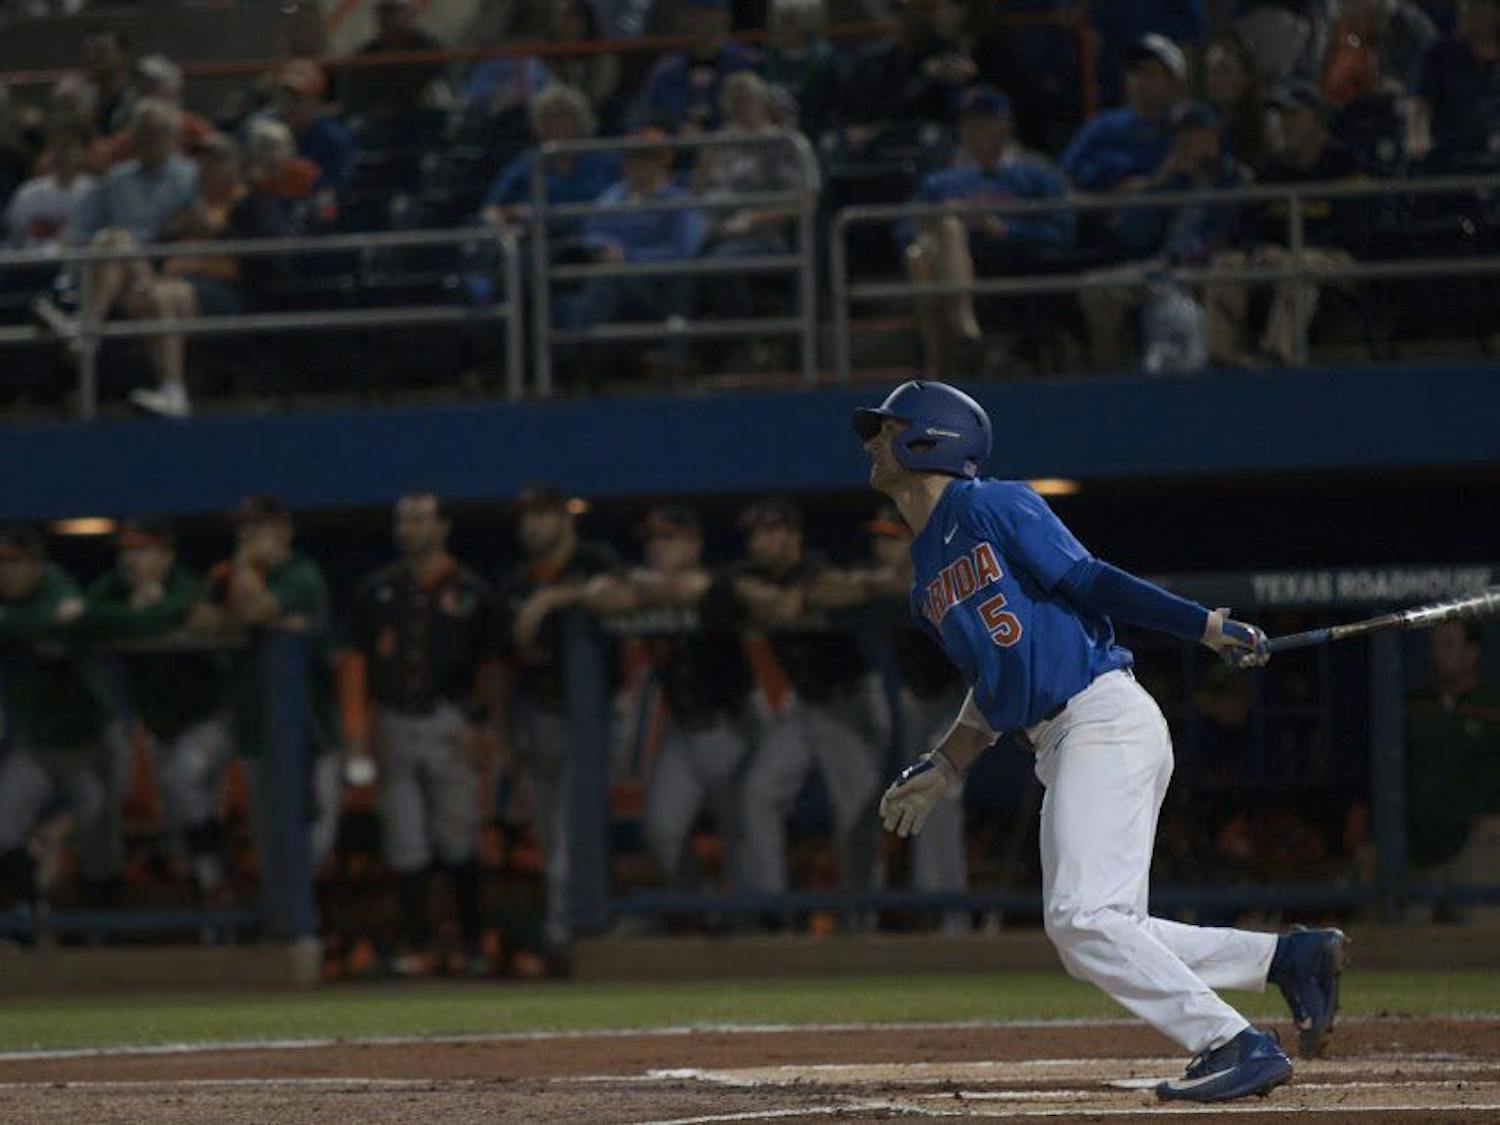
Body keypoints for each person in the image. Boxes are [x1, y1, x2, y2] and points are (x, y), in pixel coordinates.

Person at [854, 379, 1346, 1102]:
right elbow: (997, 684)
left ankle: (1234, 1042)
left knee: (1082, 919)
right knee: (1100, 931)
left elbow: (1088, 578)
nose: (872, 442)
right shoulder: (924, 575)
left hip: (1102, 718)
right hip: (1063, 738)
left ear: (932, 439)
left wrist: (1203, 626)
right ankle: (1287, 959)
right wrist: (946, 761)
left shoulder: (992, 503)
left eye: (887, 428)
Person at [350, 493, 501, 976]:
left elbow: (492, 667)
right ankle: (415, 945)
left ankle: (472, 944)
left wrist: (483, 726)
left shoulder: (471, 589)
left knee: (458, 835)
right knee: (405, 838)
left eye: (420, 519)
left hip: (449, 720)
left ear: (443, 526)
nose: (410, 528)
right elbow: (356, 665)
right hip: (394, 719)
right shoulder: (377, 589)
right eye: (403, 520)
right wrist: (358, 733)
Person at [731, 499, 885, 915]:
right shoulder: (750, 576)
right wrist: (761, 594)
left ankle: (862, 917)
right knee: (759, 793)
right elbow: (724, 586)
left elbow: (839, 586)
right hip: (804, 706)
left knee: (856, 813)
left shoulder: (816, 567)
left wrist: (802, 595)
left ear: (793, 536)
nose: (759, 542)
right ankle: (772, 910)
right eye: (754, 534)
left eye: (769, 532)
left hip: (850, 701)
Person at [595, 505, 752, 898]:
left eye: (668, 538)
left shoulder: (719, 583)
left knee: (740, 833)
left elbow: (703, 590)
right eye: (651, 540)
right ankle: (701, 906)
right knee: (660, 829)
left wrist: (648, 589)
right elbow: (601, 595)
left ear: (694, 545)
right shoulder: (644, 587)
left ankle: (755, 916)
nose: (657, 547)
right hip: (682, 729)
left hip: (731, 723)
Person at [72, 519, 232, 904]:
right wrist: (138, 616)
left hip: (209, 715)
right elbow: (86, 615)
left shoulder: (189, 585)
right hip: (160, 724)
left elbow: (167, 613)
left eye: (142, 551)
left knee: (183, 780)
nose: (131, 560)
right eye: (126, 551)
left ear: (166, 555)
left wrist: (141, 617)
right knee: (176, 814)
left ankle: (212, 877)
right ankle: (205, 891)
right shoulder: (114, 586)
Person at [498, 485, 621, 960]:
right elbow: (505, 667)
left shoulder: (594, 559)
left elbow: (618, 595)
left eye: (542, 514)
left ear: (566, 520)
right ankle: (569, 928)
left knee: (576, 832)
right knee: (551, 836)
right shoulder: (515, 584)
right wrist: (507, 739)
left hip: (591, 717)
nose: (532, 524)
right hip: (538, 715)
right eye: (526, 516)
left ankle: (570, 933)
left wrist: (552, 598)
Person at [898, 85, 1074, 378]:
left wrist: (1001, 229)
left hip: (1014, 263)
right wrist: (936, 221)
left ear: (1007, 126)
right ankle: (964, 331)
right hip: (948, 261)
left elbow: (1060, 233)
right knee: (928, 245)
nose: (974, 129)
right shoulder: (941, 180)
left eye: (985, 120)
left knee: (929, 250)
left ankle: (939, 366)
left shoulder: (1036, 173)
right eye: (968, 122)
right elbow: (904, 228)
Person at [0, 526, 123, 914]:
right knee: (3, 825)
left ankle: (105, 925)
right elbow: (40, 620)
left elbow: (69, 615)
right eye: (2, 564)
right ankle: (31, 912)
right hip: (36, 741)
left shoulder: (57, 583)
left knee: (96, 835)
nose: (6, 572)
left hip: (86, 739)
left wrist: (26, 620)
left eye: (15, 563)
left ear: (37, 564)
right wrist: (35, 621)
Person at [1206, 80, 1367, 367]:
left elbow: (1355, 229)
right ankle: (1223, 358)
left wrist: (1293, 251)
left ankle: (1279, 356)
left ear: (1317, 118)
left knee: (1300, 266)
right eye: (1280, 116)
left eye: (1294, 115)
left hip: (1335, 259)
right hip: (1276, 258)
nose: (1285, 124)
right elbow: (1246, 225)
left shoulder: (1346, 163)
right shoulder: (1272, 169)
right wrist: (1258, 249)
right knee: (1225, 264)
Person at [1077, 102, 1249, 373]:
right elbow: (1132, 233)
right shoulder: (1172, 179)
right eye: (1176, 137)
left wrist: (1184, 258)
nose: (1181, 144)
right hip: (1163, 267)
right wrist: (1158, 184)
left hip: (1213, 267)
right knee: (1096, 288)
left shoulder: (1235, 179)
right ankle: (1113, 375)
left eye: (1189, 135)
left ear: (1211, 136)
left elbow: (1235, 234)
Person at [1405, 622, 1500, 911]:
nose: (1438, 654)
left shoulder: (1492, 705)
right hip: (1419, 849)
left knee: (1482, 931)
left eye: (1448, 645)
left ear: (1473, 652)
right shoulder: (1414, 705)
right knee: (1402, 930)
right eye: (1434, 646)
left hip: (1478, 844)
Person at [1061, 35, 1185, 194]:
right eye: (1134, 71)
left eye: (1150, 72)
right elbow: (1065, 178)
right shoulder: (1103, 126)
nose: (1140, 80)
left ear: (1173, 82)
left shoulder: (1184, 127)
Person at [634, 0, 754, 134]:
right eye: (687, 13)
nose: (691, 21)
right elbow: (644, 116)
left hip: (735, 144)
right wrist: (676, 127)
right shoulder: (667, 70)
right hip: (679, 145)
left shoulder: (744, 63)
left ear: (723, 16)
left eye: (700, 13)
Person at [1409, 0, 1500, 164]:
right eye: (1466, 5)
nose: (1469, 10)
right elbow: (1420, 106)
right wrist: (1418, 140)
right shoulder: (1439, 53)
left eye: (1479, 5)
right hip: (1452, 155)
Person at [4, 121, 95, 250]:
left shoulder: (92, 190)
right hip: (34, 259)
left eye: (70, 147)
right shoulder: (29, 193)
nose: (65, 154)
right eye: (60, 148)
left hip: (80, 258)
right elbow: (14, 234)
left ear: (82, 153)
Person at [1203, 32, 1272, 169]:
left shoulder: (1267, 123)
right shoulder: (1204, 123)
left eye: (1226, 71)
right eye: (1212, 72)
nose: (1217, 80)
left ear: (1247, 76)